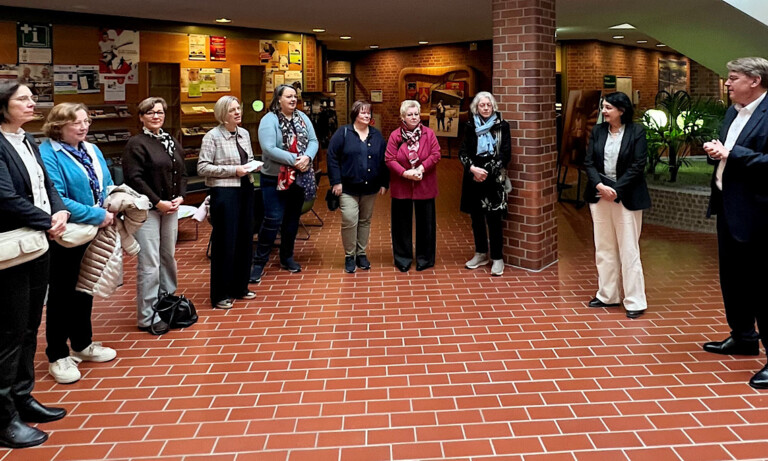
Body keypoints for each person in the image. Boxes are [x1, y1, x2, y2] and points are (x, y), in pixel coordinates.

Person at [0, 84, 69, 448]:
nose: (32, 103)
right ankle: (2, 416)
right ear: (3, 107)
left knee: (29, 325)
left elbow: (47, 184)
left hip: (38, 243)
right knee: (8, 332)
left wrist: (59, 211)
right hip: (11, 247)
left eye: (31, 98)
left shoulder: (28, 140)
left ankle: (22, 397)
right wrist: (47, 220)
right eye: (23, 99)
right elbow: (4, 196)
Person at [701, 57, 768, 389]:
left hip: (759, 213)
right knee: (732, 276)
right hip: (729, 207)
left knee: (762, 285)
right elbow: (729, 149)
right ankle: (743, 337)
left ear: (754, 81)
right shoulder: (732, 111)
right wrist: (717, 151)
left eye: (733, 78)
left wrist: (732, 154)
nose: (727, 84)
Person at [39, 103, 117, 384]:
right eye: (76, 123)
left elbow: (106, 183)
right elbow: (57, 198)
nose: (84, 127)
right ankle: (57, 354)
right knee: (61, 293)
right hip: (68, 234)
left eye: (86, 121)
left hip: (95, 230)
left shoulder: (92, 149)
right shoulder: (47, 153)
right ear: (59, 126)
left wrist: (115, 202)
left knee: (86, 288)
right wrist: (99, 215)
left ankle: (83, 344)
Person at [584, 91, 651, 319]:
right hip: (600, 195)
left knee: (629, 248)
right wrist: (600, 186)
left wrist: (616, 189)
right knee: (603, 247)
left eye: (608, 108)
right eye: (603, 107)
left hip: (627, 196)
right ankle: (607, 295)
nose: (604, 111)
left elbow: (638, 164)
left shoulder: (637, 132)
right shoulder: (598, 131)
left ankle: (634, 300)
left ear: (621, 110)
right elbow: (589, 162)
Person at [122, 97, 187, 333]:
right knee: (150, 262)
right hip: (147, 211)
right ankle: (147, 316)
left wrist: (180, 196)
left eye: (160, 112)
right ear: (141, 117)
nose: (156, 116)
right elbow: (134, 178)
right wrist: (157, 202)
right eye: (150, 113)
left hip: (170, 208)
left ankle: (168, 305)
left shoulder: (169, 140)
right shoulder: (136, 144)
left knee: (167, 257)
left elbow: (181, 171)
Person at [251, 84, 319, 282]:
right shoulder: (269, 120)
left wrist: (307, 157)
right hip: (274, 179)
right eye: (288, 96)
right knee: (273, 219)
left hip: (299, 178)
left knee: (291, 220)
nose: (293, 99)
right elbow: (268, 148)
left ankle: (287, 257)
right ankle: (258, 263)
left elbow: (314, 141)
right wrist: (295, 160)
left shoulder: (302, 118)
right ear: (278, 99)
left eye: (295, 96)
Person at [197, 95, 257, 309]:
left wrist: (252, 166)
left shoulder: (244, 134)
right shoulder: (212, 137)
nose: (237, 113)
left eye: (238, 109)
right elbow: (203, 167)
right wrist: (234, 171)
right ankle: (220, 294)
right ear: (223, 115)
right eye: (232, 110)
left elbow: (247, 159)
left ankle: (240, 287)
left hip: (245, 190)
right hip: (224, 193)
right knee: (225, 243)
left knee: (244, 239)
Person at [327, 100, 388, 273]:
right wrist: (336, 181)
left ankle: (361, 254)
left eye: (369, 113)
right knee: (350, 219)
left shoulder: (376, 136)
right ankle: (349, 255)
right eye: (363, 112)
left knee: (365, 221)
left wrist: (384, 182)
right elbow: (332, 157)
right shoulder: (343, 133)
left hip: (370, 188)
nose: (367, 115)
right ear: (355, 114)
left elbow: (384, 160)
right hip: (347, 188)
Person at [459, 91, 511, 276]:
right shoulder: (469, 125)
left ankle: (497, 258)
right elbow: (463, 152)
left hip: (493, 180)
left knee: (494, 220)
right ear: (476, 108)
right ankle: (481, 254)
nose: (486, 108)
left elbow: (506, 154)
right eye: (482, 105)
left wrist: (486, 172)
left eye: (489, 105)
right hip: (473, 177)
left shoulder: (502, 126)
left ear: (493, 106)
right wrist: (472, 169)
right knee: (476, 219)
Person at [385, 100, 440, 272]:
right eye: (409, 114)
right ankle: (403, 258)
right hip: (402, 185)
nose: (414, 117)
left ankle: (425, 259)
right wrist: (405, 173)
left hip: (425, 184)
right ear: (403, 117)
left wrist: (422, 168)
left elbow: (436, 154)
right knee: (401, 225)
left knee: (426, 224)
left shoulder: (429, 134)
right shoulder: (395, 136)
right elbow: (389, 159)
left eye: (416, 114)